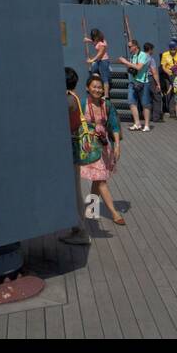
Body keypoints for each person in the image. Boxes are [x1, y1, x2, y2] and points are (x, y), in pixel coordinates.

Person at [78, 73, 124, 224]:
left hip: (103, 145)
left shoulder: (107, 105)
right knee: (101, 179)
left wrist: (117, 144)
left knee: (97, 180)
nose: (97, 90)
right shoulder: (82, 103)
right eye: (94, 87)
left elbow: (114, 125)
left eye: (99, 87)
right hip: (89, 146)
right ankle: (114, 213)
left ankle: (91, 210)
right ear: (87, 88)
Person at [60, 67, 92, 246]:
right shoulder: (75, 98)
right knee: (75, 188)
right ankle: (76, 228)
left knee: (73, 190)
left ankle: (79, 229)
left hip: (68, 149)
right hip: (74, 147)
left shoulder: (66, 101)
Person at [116, 39, 153, 131]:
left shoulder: (143, 55)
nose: (128, 48)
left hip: (143, 82)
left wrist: (125, 62)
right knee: (131, 102)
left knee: (145, 104)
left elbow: (139, 67)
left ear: (135, 46)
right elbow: (131, 68)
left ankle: (147, 125)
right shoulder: (133, 56)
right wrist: (125, 64)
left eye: (129, 46)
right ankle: (137, 123)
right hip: (132, 82)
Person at [160, 39, 177, 117]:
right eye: (171, 49)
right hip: (169, 75)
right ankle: (172, 111)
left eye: (174, 49)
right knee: (171, 93)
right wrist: (167, 72)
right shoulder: (165, 55)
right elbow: (163, 66)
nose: (172, 51)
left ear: (176, 48)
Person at [84, 29, 110, 96]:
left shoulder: (101, 43)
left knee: (105, 79)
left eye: (95, 36)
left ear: (98, 35)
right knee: (93, 71)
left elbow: (100, 54)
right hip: (99, 61)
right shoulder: (99, 40)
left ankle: (106, 96)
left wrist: (92, 60)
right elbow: (94, 42)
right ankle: (94, 86)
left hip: (103, 61)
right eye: (93, 36)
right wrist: (88, 40)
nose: (94, 38)